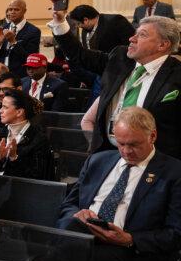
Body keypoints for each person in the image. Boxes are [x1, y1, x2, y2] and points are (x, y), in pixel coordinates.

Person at [57, 109, 181, 261]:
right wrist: (77, 215)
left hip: (130, 252)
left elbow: (175, 234)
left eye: (133, 144)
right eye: (120, 143)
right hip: (83, 238)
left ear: (153, 136)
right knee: (67, 251)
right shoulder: (98, 160)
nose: (126, 151)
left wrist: (130, 239)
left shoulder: (173, 172)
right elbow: (68, 205)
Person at [47, 8, 181, 157]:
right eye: (135, 33)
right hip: (107, 153)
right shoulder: (120, 58)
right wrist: (60, 23)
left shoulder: (176, 75)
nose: (132, 38)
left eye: (142, 35)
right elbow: (80, 55)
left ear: (163, 45)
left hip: (154, 159)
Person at [0, 88, 52, 180]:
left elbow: (36, 176)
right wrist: (0, 159)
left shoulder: (39, 139)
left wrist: (14, 158)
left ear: (19, 112)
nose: (0, 110)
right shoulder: (2, 132)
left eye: (5, 107)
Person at [0, 0, 41, 78]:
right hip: (1, 76)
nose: (12, 12)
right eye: (10, 9)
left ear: (24, 11)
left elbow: (29, 59)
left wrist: (13, 42)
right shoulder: (2, 28)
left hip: (20, 76)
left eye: (16, 9)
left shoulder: (33, 31)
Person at [68, 4, 135, 54]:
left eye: (78, 24)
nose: (77, 26)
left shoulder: (116, 21)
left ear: (86, 20)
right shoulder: (85, 29)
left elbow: (130, 43)